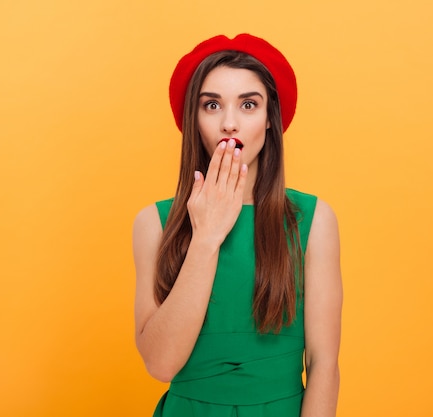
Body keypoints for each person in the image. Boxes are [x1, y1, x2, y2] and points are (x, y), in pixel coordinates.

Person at [132, 33, 342, 416]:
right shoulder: (153, 224)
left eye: (248, 104)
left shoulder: (314, 221)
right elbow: (160, 364)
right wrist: (206, 238)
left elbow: (324, 363)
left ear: (269, 118)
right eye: (211, 105)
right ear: (193, 120)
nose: (230, 123)